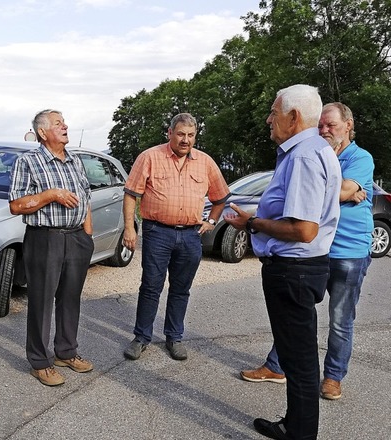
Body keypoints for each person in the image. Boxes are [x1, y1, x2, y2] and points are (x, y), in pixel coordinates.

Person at [225, 85, 342, 440]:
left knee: (300, 362)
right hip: (300, 269)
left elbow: (304, 229)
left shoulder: (305, 156)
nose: (268, 119)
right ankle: (295, 424)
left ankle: (300, 433)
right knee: (296, 358)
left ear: (294, 117)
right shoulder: (311, 150)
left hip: (293, 269)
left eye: (274, 113)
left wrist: (253, 223)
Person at [240, 102, 374, 402]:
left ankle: (333, 377)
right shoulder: (319, 153)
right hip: (313, 251)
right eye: (321, 125)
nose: (324, 130)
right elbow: (333, 193)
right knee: (296, 315)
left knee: (340, 319)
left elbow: (327, 193)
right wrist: (347, 191)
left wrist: (342, 190)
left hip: (347, 251)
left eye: (331, 125)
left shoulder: (360, 158)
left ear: (348, 126)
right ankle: (276, 366)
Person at [122, 113, 230, 361]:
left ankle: (174, 338)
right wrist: (130, 228)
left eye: (190, 135)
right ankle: (141, 337)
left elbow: (221, 197)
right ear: (170, 133)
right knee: (151, 287)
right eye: (181, 134)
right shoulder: (150, 157)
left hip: (191, 235)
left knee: (181, 289)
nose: (185, 140)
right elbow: (130, 194)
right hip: (157, 232)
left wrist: (211, 221)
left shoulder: (205, 162)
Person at [8, 109, 95, 387]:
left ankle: (66, 352)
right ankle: (40, 361)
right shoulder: (29, 161)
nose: (65, 126)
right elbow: (16, 204)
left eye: (64, 122)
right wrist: (51, 195)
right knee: (41, 301)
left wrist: (87, 233)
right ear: (43, 133)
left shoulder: (75, 161)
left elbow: (86, 197)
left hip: (77, 237)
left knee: (70, 298)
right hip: (45, 239)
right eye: (58, 123)